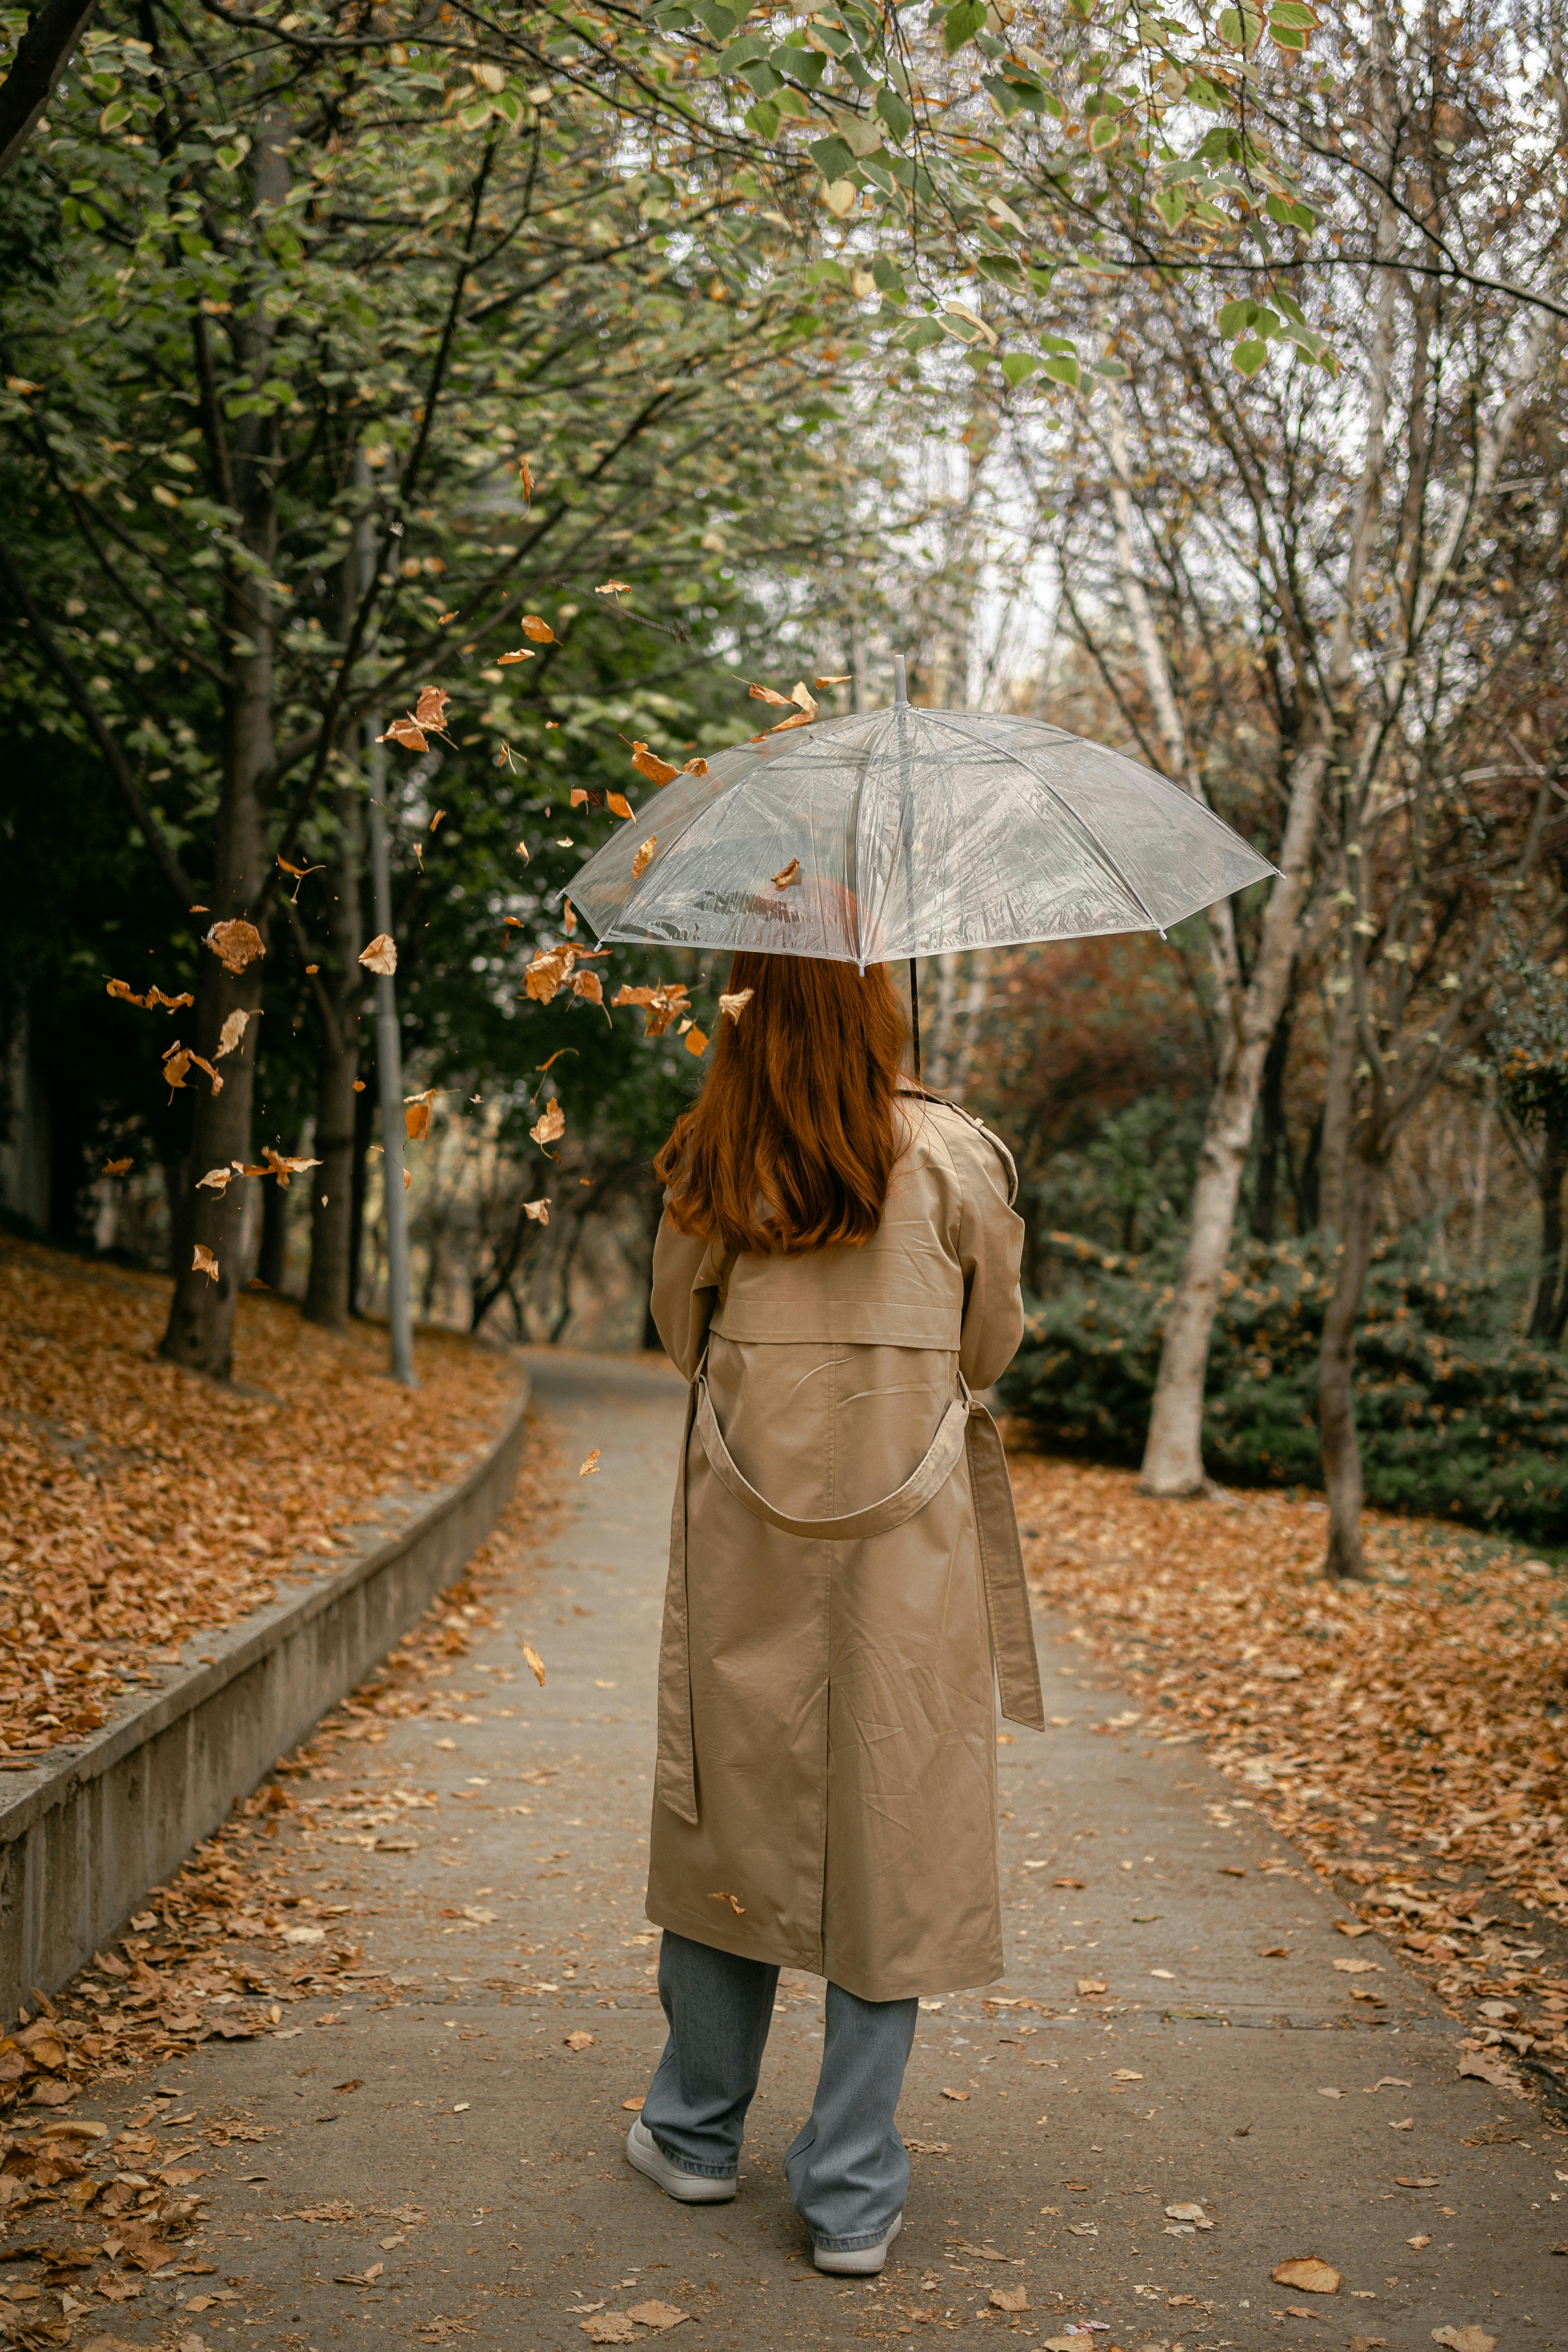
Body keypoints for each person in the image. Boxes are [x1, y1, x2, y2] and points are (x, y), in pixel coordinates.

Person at [626, 949, 1042, 2275]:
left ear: (743, 1007)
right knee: (891, 1828)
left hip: (745, 1534)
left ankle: (693, 2133)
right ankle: (852, 2193)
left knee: (726, 1810)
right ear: (878, 1006)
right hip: (906, 1552)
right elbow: (991, 1348)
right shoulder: (958, 1155)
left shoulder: (712, 1158)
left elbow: (673, 1333)